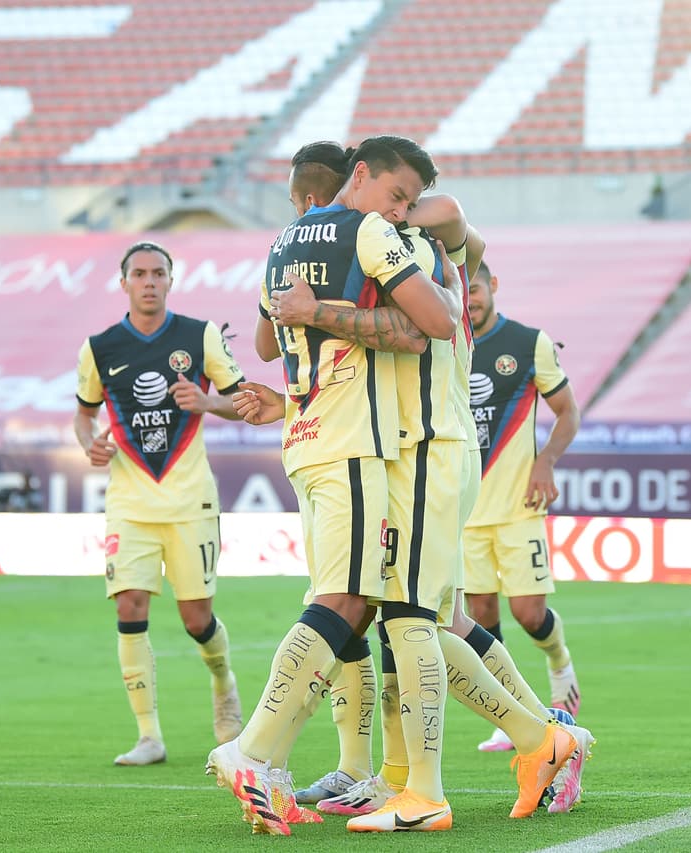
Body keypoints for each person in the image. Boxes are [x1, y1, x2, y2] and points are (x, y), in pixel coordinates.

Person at [206, 136, 461, 836]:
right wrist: (354, 307)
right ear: (360, 176)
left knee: (348, 605)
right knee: (349, 600)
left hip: (305, 437)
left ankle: (287, 761)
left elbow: (264, 341)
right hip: (355, 441)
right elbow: (433, 325)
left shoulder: (282, 241)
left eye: (409, 201)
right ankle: (254, 750)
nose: (403, 208)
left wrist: (312, 307)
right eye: (397, 194)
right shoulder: (372, 232)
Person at [73, 241, 246, 768]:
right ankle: (149, 735)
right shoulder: (100, 347)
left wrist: (207, 400)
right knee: (130, 607)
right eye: (139, 273)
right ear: (123, 282)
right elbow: (84, 413)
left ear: (171, 280)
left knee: (197, 619)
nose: (149, 281)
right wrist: (89, 443)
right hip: (129, 501)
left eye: (158, 273)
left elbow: (242, 403)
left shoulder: (200, 336)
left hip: (190, 498)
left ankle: (223, 680)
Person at [463, 259, 583, 767]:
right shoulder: (444, 345)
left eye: (476, 288)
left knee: (529, 615)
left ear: (493, 287)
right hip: (464, 513)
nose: (469, 299)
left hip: (517, 508)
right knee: (481, 621)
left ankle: (561, 670)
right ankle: (512, 718)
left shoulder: (529, 342)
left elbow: (567, 412)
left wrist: (545, 462)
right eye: (461, 291)